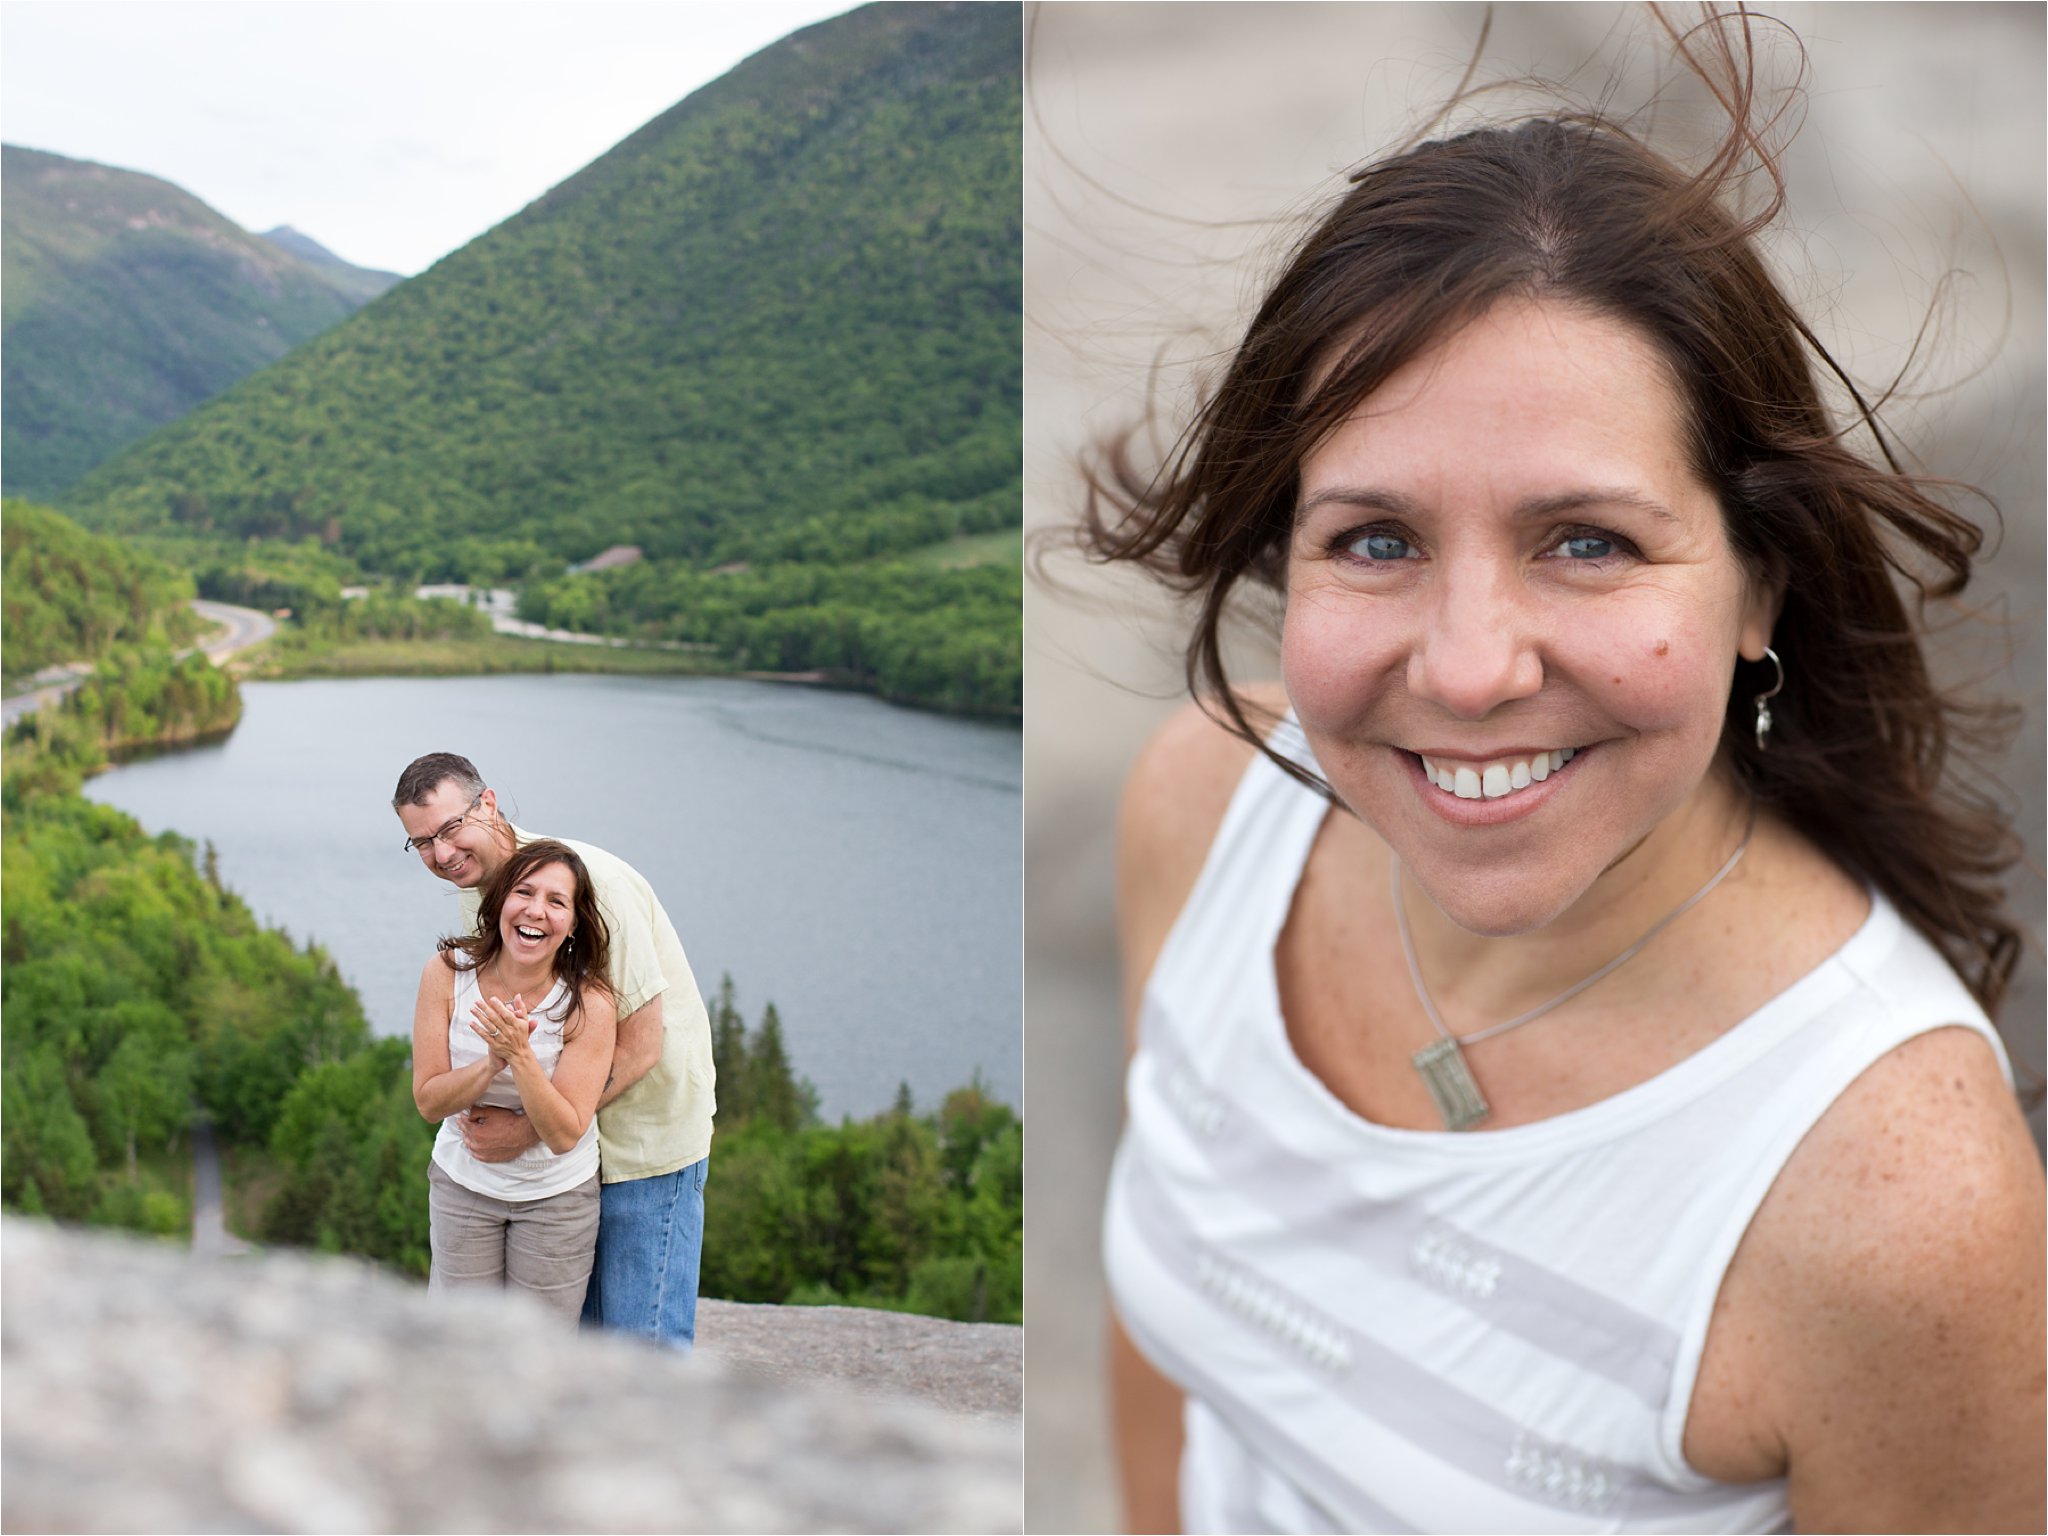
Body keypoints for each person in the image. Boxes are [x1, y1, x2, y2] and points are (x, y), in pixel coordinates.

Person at [1070, 12, 2046, 1535]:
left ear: (1759, 587)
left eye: (1585, 542)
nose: (1469, 667)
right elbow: (1175, 1358)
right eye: (1376, 540)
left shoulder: (1897, 1202)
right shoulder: (1206, 804)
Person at [393, 752, 716, 1347]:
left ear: (487, 804)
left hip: (643, 1141)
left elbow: (644, 1044)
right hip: (562, 1160)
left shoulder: (587, 887)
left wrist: (524, 1132)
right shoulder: (490, 894)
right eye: (421, 843)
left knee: (640, 1347)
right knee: (577, 1352)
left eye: (449, 829)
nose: (440, 855)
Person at [413, 840, 616, 1321]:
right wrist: (490, 1064)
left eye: (557, 901)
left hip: (557, 1199)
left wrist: (520, 1056)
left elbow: (566, 1132)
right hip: (462, 1186)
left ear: (573, 925)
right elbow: (428, 1101)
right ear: (500, 901)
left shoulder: (590, 1003)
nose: (536, 911)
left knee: (537, 1352)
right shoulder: (447, 974)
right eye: (524, 892)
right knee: (460, 1340)